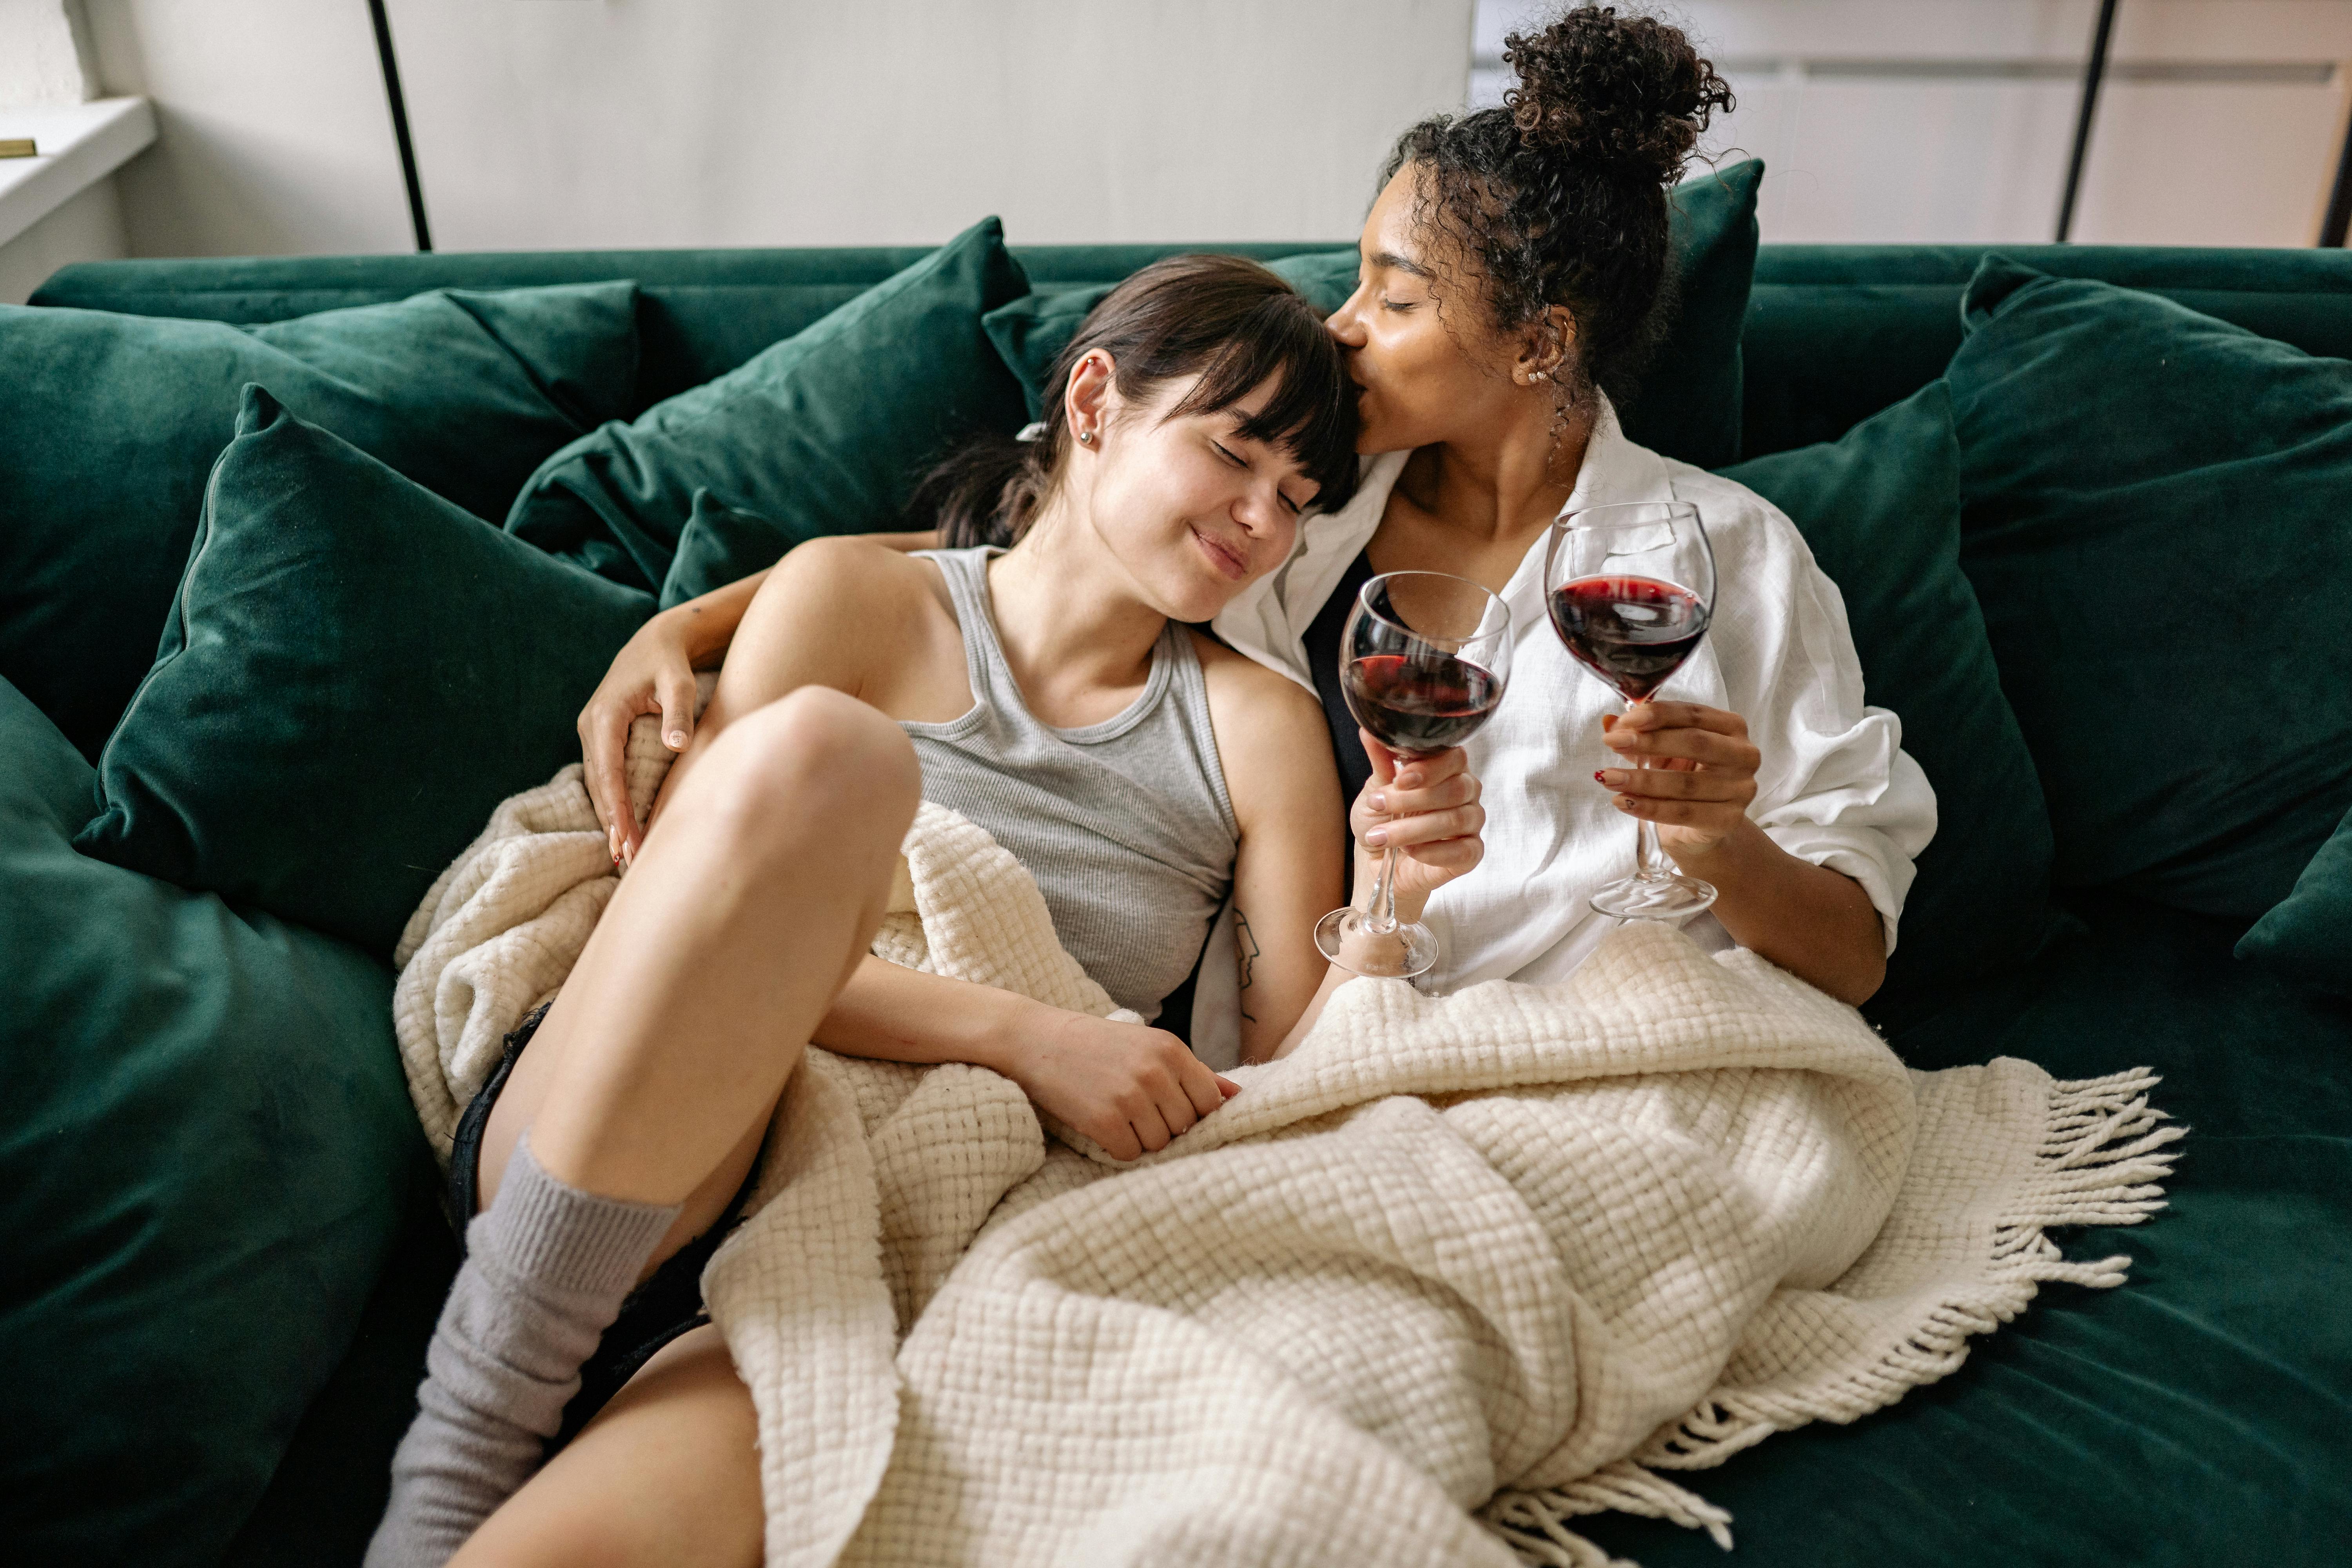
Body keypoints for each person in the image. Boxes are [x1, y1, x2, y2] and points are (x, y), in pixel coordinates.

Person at [367, 254, 1490, 1568]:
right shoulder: (851, 596)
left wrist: (1389, 903)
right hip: (630, 1119)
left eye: (1299, 499)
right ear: (1093, 400)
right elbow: (691, 921)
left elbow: (1288, 1079)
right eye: (1235, 452)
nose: (1262, 517)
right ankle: (472, 1420)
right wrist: (1030, 1035)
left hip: (869, 1239)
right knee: (831, 761)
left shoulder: (1257, 726)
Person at [585, 5, 1933, 1018]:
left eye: (1395, 300)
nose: (1347, 331)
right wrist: (696, 623)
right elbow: (1053, 557)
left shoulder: (1732, 560)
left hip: (1641, 1039)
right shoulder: (1300, 519)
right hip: (1368, 1046)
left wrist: (1720, 845)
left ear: (1538, 346)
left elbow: (1854, 954)